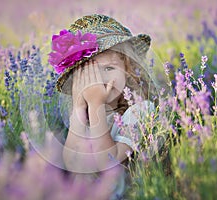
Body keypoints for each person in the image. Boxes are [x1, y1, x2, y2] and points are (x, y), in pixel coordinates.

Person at [48, 14, 158, 199]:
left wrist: (96, 104)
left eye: (109, 69)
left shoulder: (139, 110)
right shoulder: (84, 116)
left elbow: (108, 161)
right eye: (90, 74)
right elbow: (73, 163)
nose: (99, 80)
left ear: (128, 70)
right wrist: (78, 107)